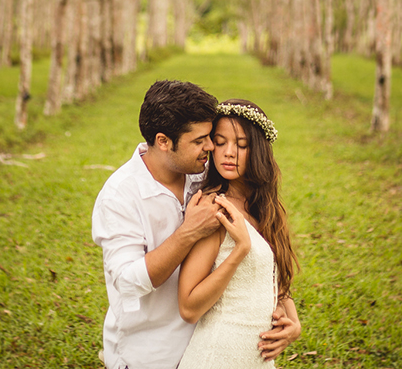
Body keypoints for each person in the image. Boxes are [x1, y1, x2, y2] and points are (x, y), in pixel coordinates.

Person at [91, 79, 223, 369]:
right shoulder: (120, 195)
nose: (211, 146)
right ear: (163, 141)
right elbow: (128, 281)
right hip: (147, 353)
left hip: (208, 342)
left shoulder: (206, 174)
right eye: (199, 141)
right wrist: (189, 232)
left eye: (210, 136)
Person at [177, 99, 302, 368]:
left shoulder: (265, 209)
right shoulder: (214, 210)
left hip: (255, 358)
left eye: (241, 145)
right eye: (220, 142)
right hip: (217, 356)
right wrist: (240, 250)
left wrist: (294, 323)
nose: (229, 153)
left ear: (258, 150)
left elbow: (272, 276)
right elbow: (188, 308)